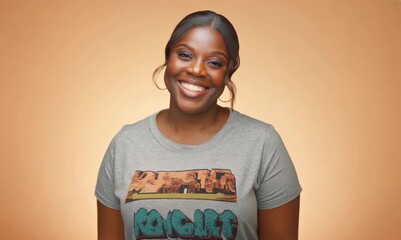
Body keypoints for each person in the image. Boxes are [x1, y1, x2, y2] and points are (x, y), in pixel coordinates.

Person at [96, 10, 302, 240]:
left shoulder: (263, 144)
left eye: (214, 62)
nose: (196, 70)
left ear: (229, 70)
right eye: (185, 55)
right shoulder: (125, 144)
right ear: (168, 57)